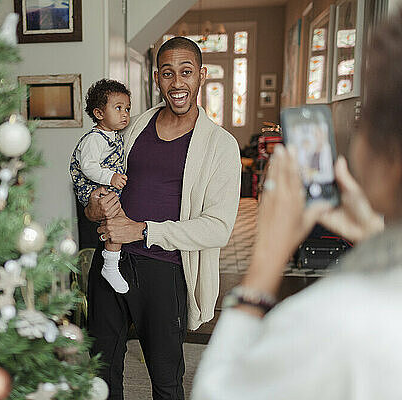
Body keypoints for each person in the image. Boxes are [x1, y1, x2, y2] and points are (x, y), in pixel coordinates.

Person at [191, 12, 402, 400]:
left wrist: (267, 259)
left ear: (386, 157)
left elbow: (216, 391)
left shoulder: (337, 318)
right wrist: (376, 235)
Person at [85, 37, 242, 399]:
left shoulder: (220, 145)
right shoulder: (135, 127)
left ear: (201, 76)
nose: (177, 83)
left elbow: (218, 228)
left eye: (186, 72)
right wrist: (93, 206)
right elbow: (104, 181)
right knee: (100, 370)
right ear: (157, 78)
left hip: (165, 271)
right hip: (111, 261)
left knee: (166, 380)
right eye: (168, 73)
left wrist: (141, 230)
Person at [70, 79, 131, 293]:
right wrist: (111, 177)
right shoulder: (95, 139)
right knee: (115, 220)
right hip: (94, 188)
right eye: (118, 108)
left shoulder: (112, 135)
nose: (125, 114)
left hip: (106, 187)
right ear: (99, 113)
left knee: (119, 220)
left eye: (127, 109)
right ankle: (110, 265)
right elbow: (88, 166)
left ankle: (113, 259)